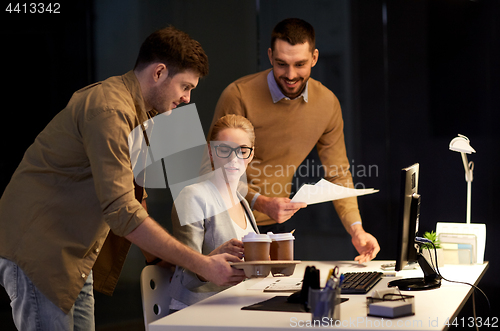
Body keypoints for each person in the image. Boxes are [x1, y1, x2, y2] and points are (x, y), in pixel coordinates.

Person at [0, 26, 245, 331]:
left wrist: (170, 262)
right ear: (159, 72)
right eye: (185, 86)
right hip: (41, 249)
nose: (186, 98)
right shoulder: (109, 109)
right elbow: (122, 211)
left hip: (76, 252)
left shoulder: (143, 113)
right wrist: (200, 264)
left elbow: (134, 195)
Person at [206, 18, 380, 263]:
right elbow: (215, 170)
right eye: (281, 64)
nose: (290, 75)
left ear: (314, 58)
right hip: (227, 220)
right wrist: (260, 201)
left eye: (300, 64)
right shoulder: (238, 96)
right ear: (270, 56)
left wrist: (357, 230)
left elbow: (338, 173)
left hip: (277, 225)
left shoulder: (327, 104)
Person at [168, 114, 258, 313]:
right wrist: (207, 263)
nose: (234, 159)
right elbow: (185, 277)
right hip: (195, 313)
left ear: (251, 155)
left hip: (235, 309)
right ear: (210, 151)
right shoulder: (192, 196)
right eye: (224, 150)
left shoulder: (242, 201)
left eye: (242, 150)